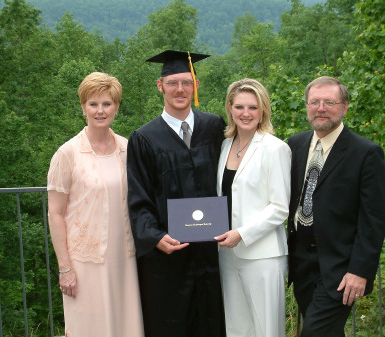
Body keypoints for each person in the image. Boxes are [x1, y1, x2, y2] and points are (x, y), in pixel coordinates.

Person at [127, 50, 226, 337]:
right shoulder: (144, 138)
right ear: (160, 86)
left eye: (186, 82)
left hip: (210, 250)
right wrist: (155, 237)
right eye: (172, 83)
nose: (180, 89)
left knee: (212, 320)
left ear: (196, 85)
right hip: (168, 255)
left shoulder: (214, 127)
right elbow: (138, 195)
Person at [287, 76, 385, 336]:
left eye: (329, 102)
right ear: (307, 106)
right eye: (314, 102)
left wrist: (360, 271)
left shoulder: (365, 153)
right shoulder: (294, 145)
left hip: (340, 267)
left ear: (344, 107)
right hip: (301, 263)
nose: (321, 108)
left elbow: (373, 219)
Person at [47, 72, 144, 337]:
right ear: (83, 107)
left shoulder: (128, 149)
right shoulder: (67, 154)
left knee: (125, 325)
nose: (100, 110)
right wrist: (65, 268)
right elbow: (55, 214)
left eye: (106, 104)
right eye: (93, 104)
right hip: (84, 263)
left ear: (116, 107)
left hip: (125, 258)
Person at [214, 78, 291, 337]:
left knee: (266, 329)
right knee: (237, 328)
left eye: (253, 108)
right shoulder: (224, 146)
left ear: (263, 111)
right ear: (230, 109)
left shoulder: (275, 148)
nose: (245, 114)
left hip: (263, 256)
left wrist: (242, 234)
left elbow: (280, 208)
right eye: (239, 107)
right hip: (226, 254)